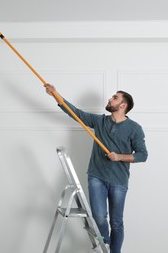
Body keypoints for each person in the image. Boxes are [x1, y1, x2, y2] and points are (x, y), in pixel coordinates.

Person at [44, 83, 148, 253]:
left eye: (115, 97)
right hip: (96, 176)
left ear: (123, 105)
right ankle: (104, 246)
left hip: (119, 180)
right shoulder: (100, 121)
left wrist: (119, 157)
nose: (110, 98)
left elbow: (143, 155)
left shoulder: (135, 129)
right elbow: (75, 113)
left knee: (116, 222)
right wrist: (55, 94)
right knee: (99, 217)